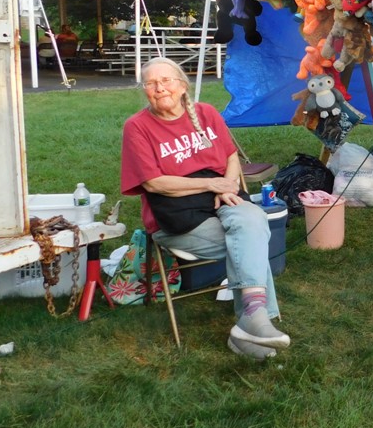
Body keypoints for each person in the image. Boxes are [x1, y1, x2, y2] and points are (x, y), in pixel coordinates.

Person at [120, 57, 289, 361]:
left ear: (182, 85)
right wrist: (211, 184)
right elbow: (154, 183)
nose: (159, 88)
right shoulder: (137, 127)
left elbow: (231, 156)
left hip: (222, 199)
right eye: (151, 83)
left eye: (166, 80)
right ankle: (255, 323)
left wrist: (227, 185)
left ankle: (252, 322)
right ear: (144, 90)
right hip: (176, 217)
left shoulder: (207, 113)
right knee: (250, 240)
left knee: (252, 221)